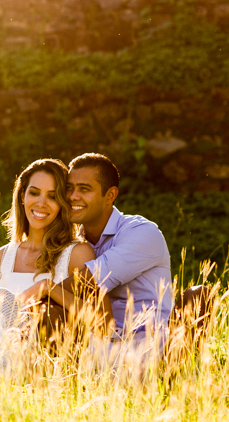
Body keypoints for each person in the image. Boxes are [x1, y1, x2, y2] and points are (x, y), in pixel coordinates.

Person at [42, 153, 213, 370]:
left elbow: (89, 281)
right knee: (48, 310)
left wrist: (41, 289)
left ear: (110, 195)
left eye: (84, 189)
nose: (73, 196)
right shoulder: (71, 243)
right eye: (69, 188)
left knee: (199, 295)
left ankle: (172, 373)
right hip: (97, 340)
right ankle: (55, 380)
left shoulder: (141, 232)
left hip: (152, 342)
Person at [0, 158, 100, 371]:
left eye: (52, 196)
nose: (41, 203)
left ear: (63, 203)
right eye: (34, 193)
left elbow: (98, 320)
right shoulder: (3, 256)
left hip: (45, 366)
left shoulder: (76, 253)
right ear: (22, 196)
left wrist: (49, 288)